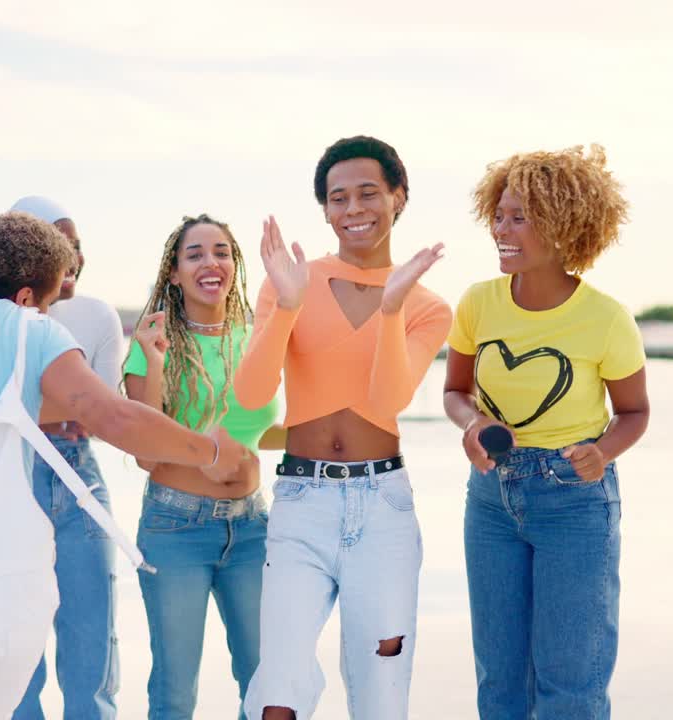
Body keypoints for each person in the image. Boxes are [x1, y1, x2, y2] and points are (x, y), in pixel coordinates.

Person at [0, 211, 249, 719]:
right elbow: (111, 415)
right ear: (28, 299)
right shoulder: (29, 331)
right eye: (48, 305)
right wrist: (213, 451)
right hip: (10, 595)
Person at [235, 136, 452, 719]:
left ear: (397, 197)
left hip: (383, 508)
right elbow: (253, 395)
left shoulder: (427, 305)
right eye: (338, 198)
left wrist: (391, 308)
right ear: (325, 210)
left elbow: (388, 399)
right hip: (301, 501)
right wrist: (285, 306)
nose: (353, 209)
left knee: (381, 691)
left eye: (367, 194)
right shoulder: (291, 282)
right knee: (277, 691)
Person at [443, 145, 649, 720]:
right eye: (499, 215)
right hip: (489, 501)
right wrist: (473, 424)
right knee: (500, 684)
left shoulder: (606, 318)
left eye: (520, 217)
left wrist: (602, 452)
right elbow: (455, 392)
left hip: (574, 504)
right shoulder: (478, 303)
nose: (501, 230)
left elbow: (634, 413)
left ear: (565, 227)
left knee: (570, 686)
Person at [123, 214, 282, 719]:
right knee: (175, 689)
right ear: (173, 272)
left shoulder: (258, 336)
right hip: (176, 528)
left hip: (253, 526)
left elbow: (262, 430)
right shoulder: (153, 341)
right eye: (194, 254)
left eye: (222, 252)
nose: (210, 262)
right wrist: (150, 361)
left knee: (266, 682)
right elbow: (146, 448)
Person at [7, 196, 125, 720]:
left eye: (76, 245)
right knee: (16, 643)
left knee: (91, 633)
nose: (72, 256)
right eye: (59, 244)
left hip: (80, 473)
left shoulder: (98, 315)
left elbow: (103, 414)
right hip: (12, 471)